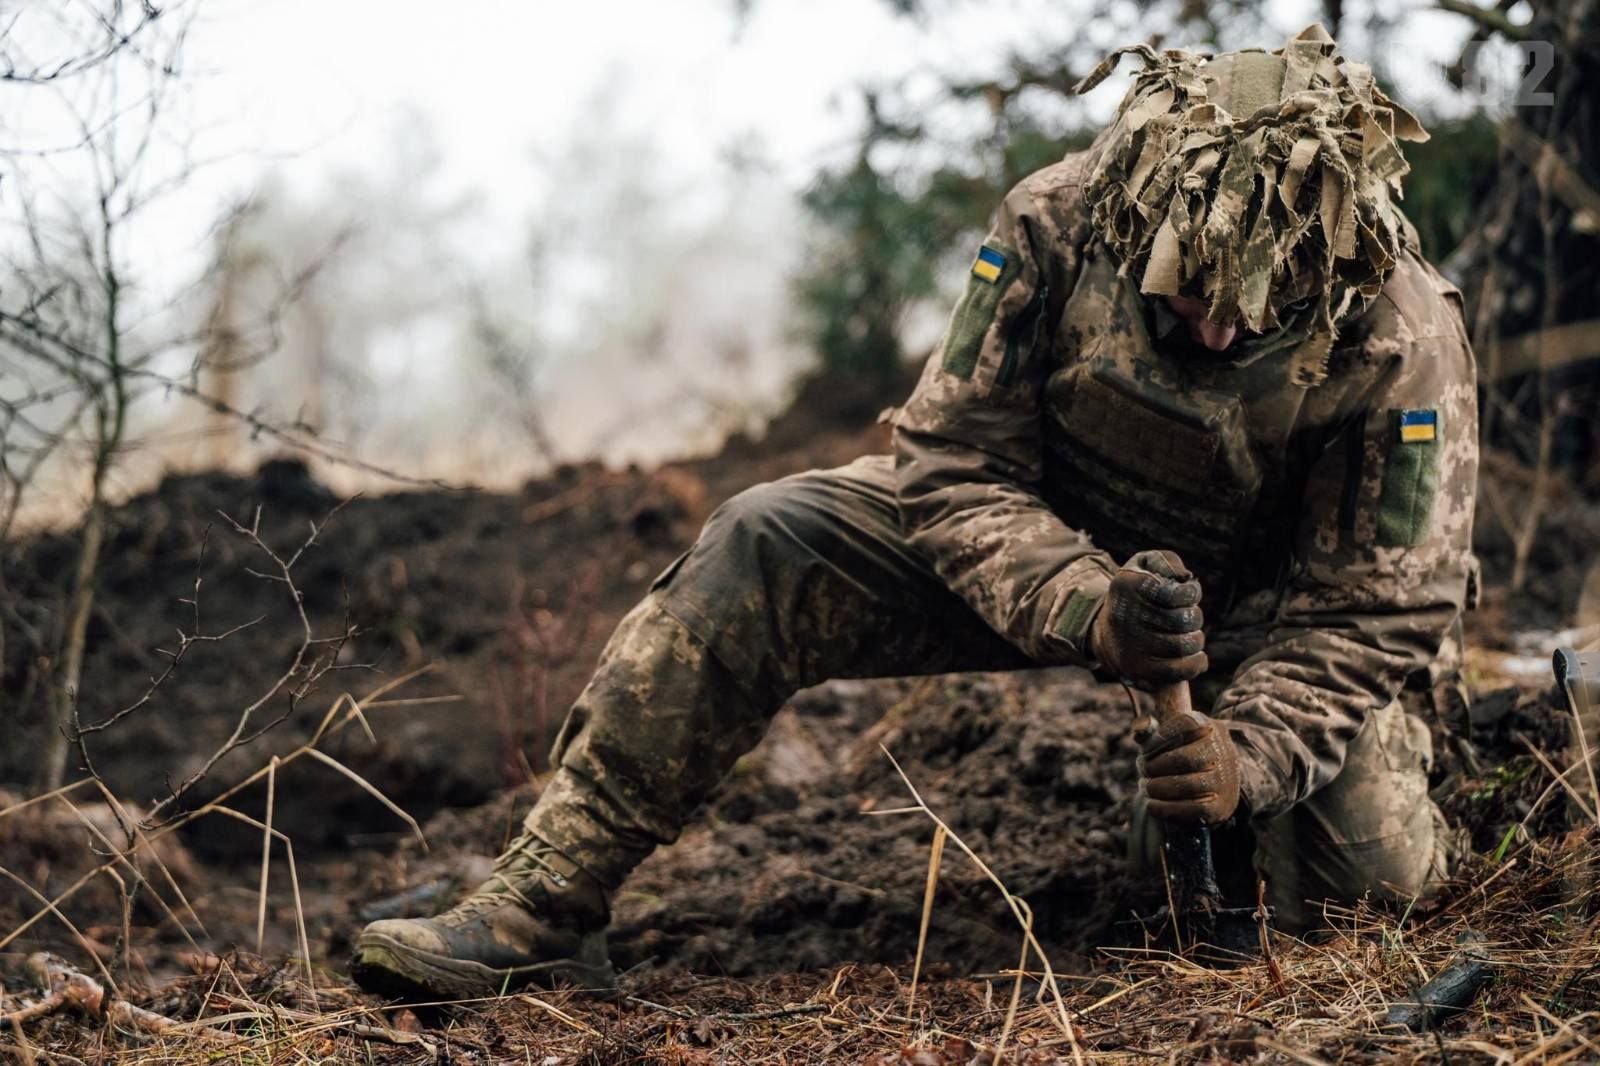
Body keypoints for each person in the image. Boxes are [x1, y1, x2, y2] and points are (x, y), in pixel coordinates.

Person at [350, 25, 1478, 1000]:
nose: (1219, 336)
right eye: (1188, 299)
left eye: (1254, 313)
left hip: (1262, 625)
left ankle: (1197, 809)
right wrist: (1087, 606)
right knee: (767, 538)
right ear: (1137, 226)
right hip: (1038, 543)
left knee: (1359, 893)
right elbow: (947, 460)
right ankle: (544, 902)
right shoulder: (1059, 221)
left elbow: (1372, 611)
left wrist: (1250, 756)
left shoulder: (1397, 333)